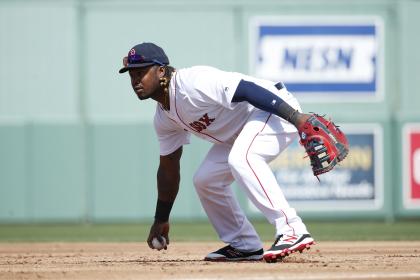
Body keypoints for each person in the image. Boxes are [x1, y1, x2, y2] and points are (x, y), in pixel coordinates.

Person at [119, 42, 348, 262]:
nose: (135, 80)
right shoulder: (163, 118)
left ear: (160, 71)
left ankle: (291, 228)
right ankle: (244, 244)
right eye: (132, 74)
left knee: (243, 158)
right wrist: (161, 219)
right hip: (241, 132)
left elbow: (246, 89)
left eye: (141, 72)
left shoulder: (192, 82)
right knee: (205, 180)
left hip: (272, 110)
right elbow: (168, 168)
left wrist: (296, 118)